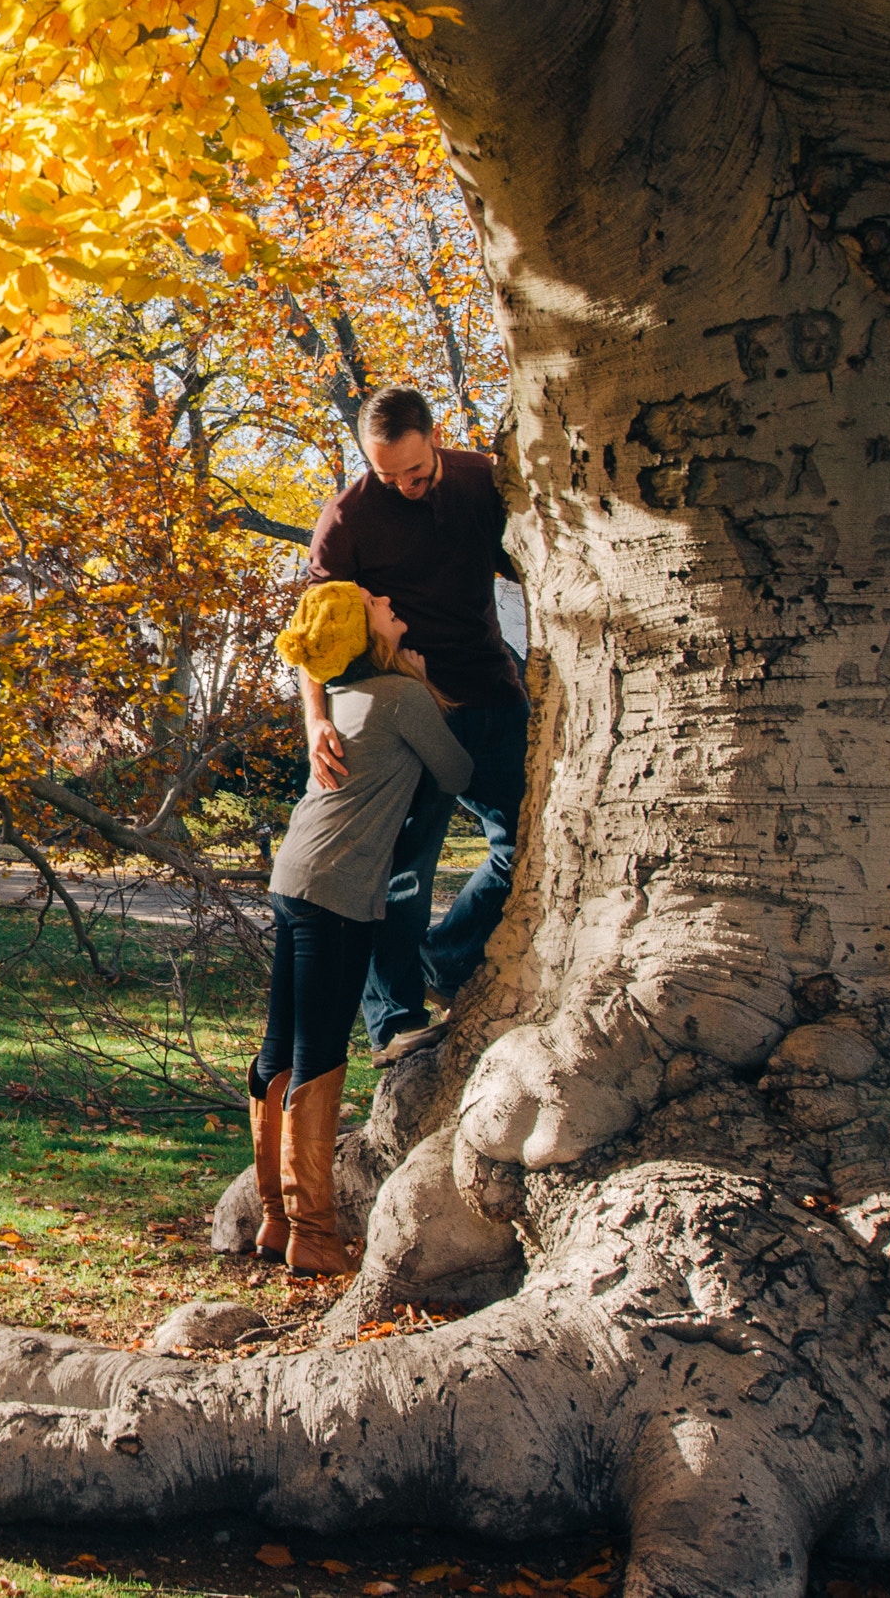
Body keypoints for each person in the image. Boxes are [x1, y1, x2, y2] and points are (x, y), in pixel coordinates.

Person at [302, 387, 528, 1059]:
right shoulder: (349, 518)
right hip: (404, 705)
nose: (403, 486)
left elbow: (536, 568)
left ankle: (443, 959)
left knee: (523, 850)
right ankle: (395, 1020)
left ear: (435, 438)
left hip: (489, 690)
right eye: (385, 474)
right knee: (401, 872)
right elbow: (313, 634)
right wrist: (317, 723)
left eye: (415, 472)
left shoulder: (480, 482)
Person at [254, 581, 472, 1276]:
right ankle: (314, 1234)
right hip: (338, 889)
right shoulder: (400, 697)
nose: (390, 601)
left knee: (278, 1046)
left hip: (293, 875)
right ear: (364, 630)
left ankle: (275, 1218)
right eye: (378, 604)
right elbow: (457, 770)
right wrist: (425, 683)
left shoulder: (343, 700)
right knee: (318, 1052)